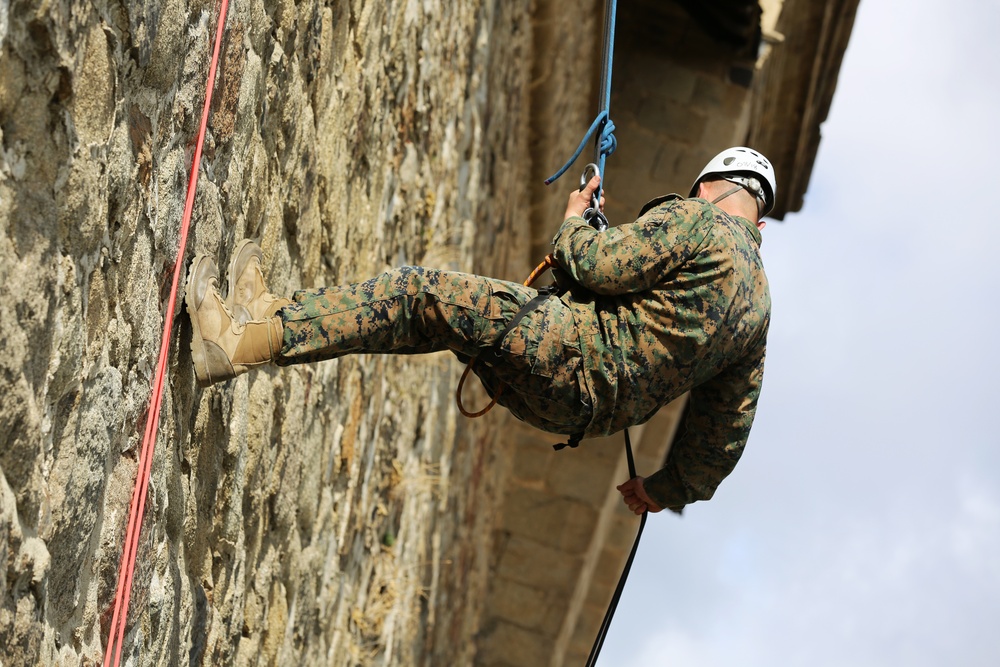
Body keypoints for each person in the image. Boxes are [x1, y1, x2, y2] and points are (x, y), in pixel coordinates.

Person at [185, 146, 775, 516]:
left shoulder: (700, 221)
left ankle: (237, 343)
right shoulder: (759, 311)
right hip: (569, 413)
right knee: (429, 322)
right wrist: (663, 489)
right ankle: (268, 316)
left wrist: (575, 222)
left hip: (562, 348)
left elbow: (594, 264)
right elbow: (721, 440)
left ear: (713, 186)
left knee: (417, 295)